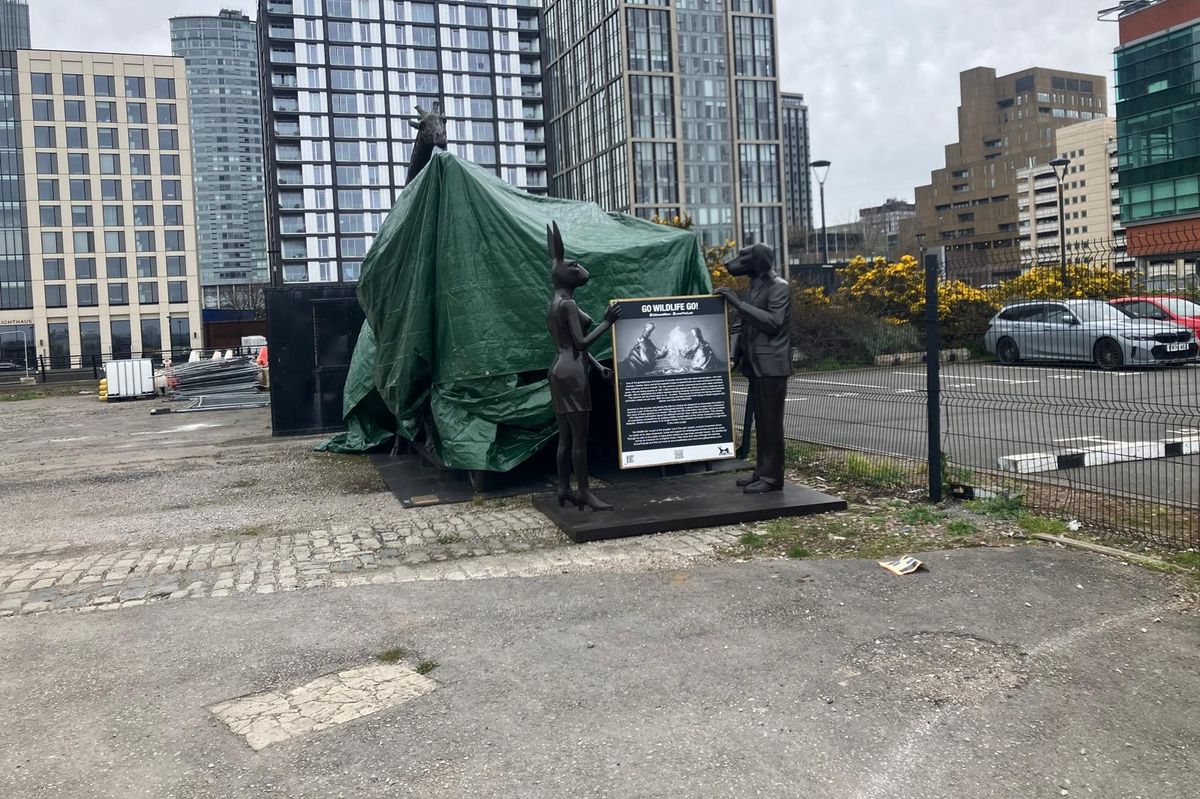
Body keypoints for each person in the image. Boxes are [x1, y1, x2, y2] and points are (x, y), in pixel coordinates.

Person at [545, 221, 621, 511]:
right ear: (563, 274)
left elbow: (568, 344)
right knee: (579, 438)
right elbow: (580, 342)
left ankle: (564, 488)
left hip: (558, 369)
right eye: (574, 267)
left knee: (565, 437)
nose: (581, 270)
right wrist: (607, 322)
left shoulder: (555, 302)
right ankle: (585, 492)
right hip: (572, 374)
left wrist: (597, 366)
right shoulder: (568, 305)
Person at [713, 243, 791, 493]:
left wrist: (736, 302)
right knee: (762, 423)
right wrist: (733, 357)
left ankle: (772, 478)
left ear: (758, 262)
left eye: (743, 258)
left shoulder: (779, 287)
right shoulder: (755, 287)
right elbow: (740, 325)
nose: (735, 262)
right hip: (756, 365)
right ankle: (762, 472)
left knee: (771, 424)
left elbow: (773, 323)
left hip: (772, 366)